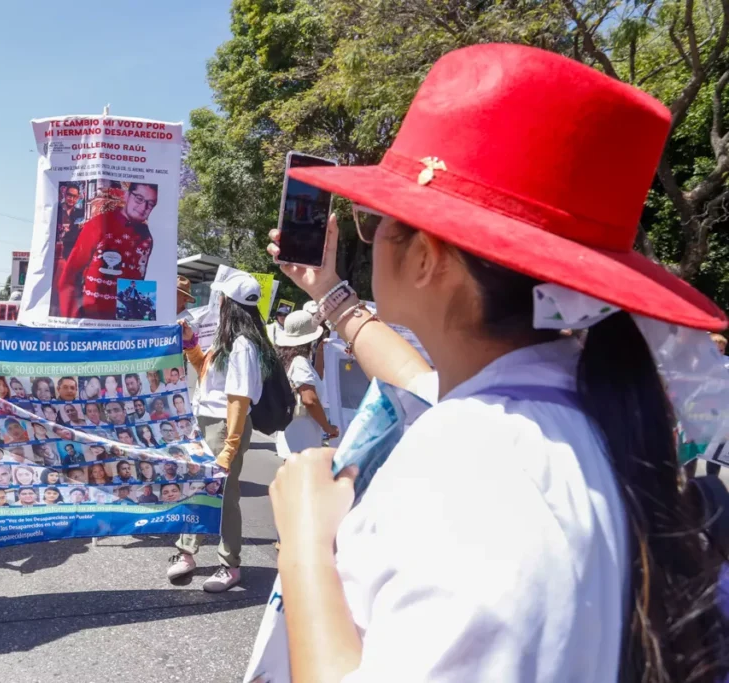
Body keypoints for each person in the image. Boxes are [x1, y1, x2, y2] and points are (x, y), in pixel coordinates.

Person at [255, 44, 729, 682]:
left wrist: (306, 544)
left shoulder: (476, 474)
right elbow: (417, 381)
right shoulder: (562, 408)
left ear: (426, 256)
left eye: (375, 221)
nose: (370, 239)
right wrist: (330, 293)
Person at [169, 271, 275, 592]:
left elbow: (239, 399)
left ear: (228, 302)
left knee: (225, 496)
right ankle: (186, 552)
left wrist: (230, 446)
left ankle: (230, 565)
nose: (216, 301)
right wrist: (191, 348)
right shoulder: (226, 338)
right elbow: (205, 372)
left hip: (223, 426)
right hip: (205, 421)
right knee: (195, 487)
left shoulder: (242, 344)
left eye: (220, 297)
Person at [55, 182, 159, 319]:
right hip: (90, 324)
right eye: (139, 199)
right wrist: (73, 321)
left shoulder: (148, 237)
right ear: (127, 196)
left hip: (123, 329)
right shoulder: (99, 224)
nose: (144, 207)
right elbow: (71, 276)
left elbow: (142, 284)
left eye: (150, 204)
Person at [273, 309, 338, 459]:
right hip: (301, 435)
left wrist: (321, 353)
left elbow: (315, 379)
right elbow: (310, 399)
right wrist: (327, 427)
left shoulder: (290, 359)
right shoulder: (300, 362)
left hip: (293, 431)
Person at [54, 182, 85, 261]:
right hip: (56, 252)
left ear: (78, 198)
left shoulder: (81, 213)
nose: (71, 199)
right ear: (65, 195)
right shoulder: (56, 210)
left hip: (73, 252)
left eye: (74, 196)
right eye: (69, 195)